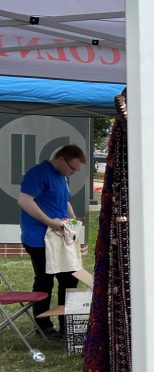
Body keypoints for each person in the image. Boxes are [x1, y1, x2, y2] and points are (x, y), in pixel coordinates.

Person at [17, 144, 87, 336]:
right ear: (61, 159)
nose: (73, 173)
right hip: (39, 238)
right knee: (45, 280)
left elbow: (64, 202)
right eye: (72, 168)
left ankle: (67, 324)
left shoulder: (62, 176)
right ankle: (43, 325)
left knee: (70, 278)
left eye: (76, 170)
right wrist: (49, 221)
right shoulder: (39, 173)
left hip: (59, 236)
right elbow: (24, 201)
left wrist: (72, 223)